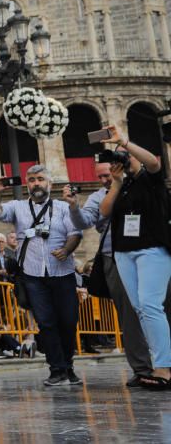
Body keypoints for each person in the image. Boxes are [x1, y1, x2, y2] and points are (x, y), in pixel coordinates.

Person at [69, 158, 168, 387]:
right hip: (115, 256)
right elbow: (85, 220)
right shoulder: (98, 196)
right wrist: (74, 206)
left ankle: (165, 363)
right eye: (101, 176)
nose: (105, 178)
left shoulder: (142, 185)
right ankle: (142, 368)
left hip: (151, 252)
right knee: (130, 314)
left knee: (157, 307)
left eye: (109, 173)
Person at [0, 165, 83, 386]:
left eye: (40, 179)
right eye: (31, 180)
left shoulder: (62, 207)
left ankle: (68, 365)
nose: (36, 183)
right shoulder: (18, 207)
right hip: (33, 275)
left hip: (63, 273)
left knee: (68, 322)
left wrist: (67, 250)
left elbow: (75, 234)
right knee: (46, 323)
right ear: (27, 185)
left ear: (49, 184)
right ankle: (57, 370)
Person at [96, 128, 171, 391]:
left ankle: (163, 367)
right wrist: (115, 183)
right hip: (123, 252)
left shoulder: (151, 179)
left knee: (151, 306)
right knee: (141, 310)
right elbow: (104, 212)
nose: (125, 161)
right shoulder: (123, 185)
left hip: (152, 249)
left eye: (127, 157)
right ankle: (158, 364)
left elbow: (153, 162)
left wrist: (124, 143)